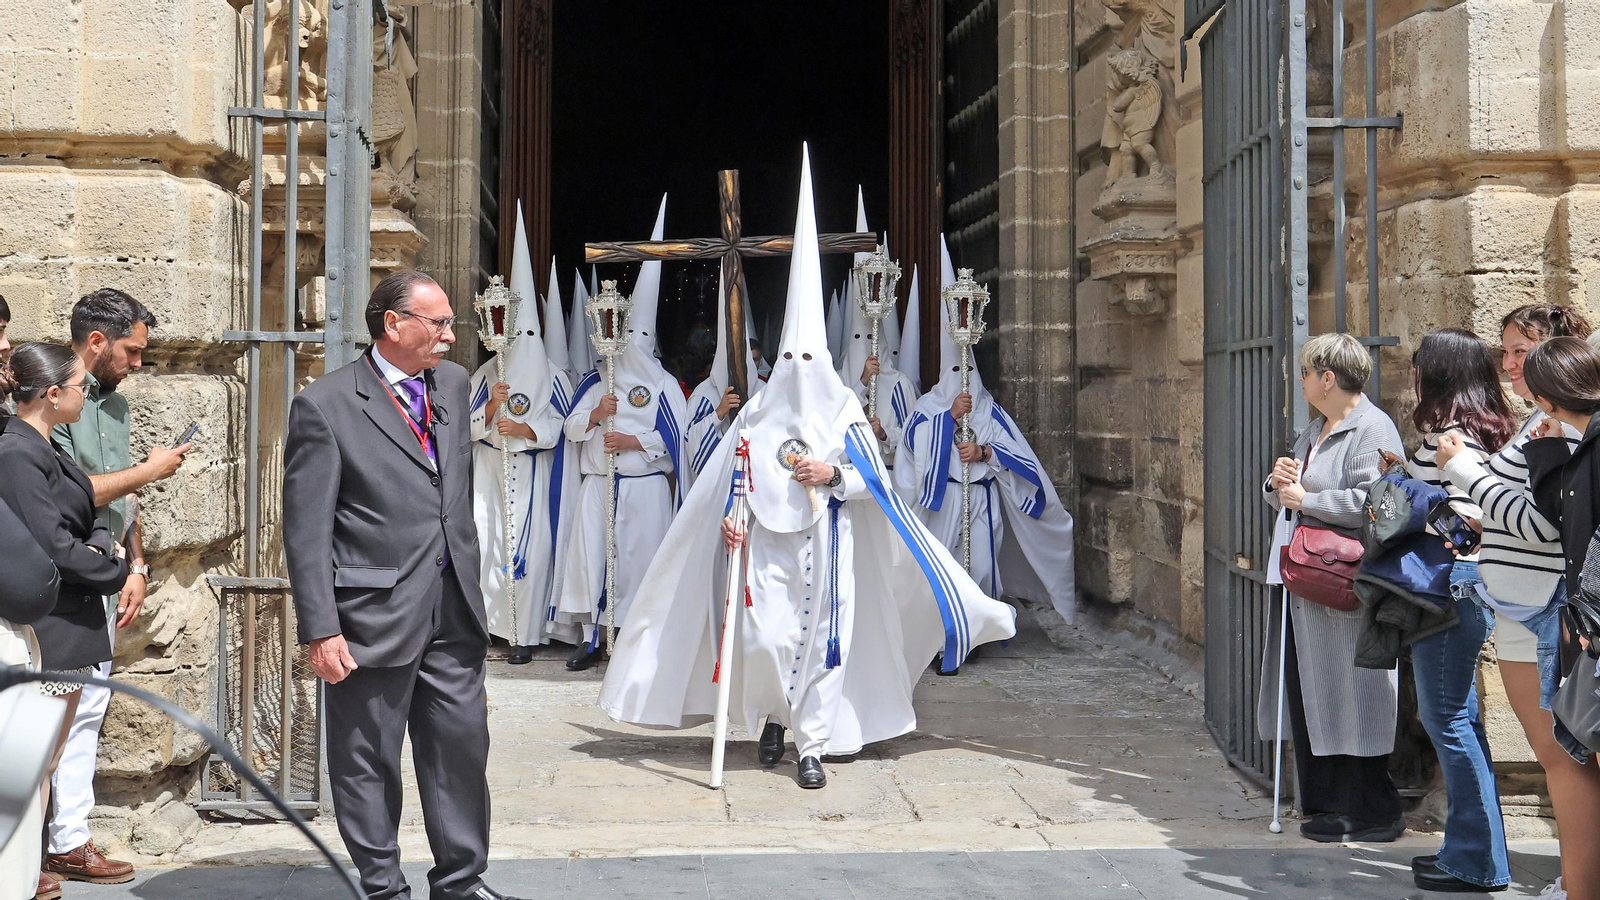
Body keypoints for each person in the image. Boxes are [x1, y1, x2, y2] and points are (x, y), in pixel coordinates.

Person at [598, 147, 1017, 789]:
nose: (796, 365)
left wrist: (834, 479)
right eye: (787, 354)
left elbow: (875, 477)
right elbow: (732, 472)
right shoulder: (760, 409)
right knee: (765, 638)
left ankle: (812, 743)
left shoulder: (846, 406)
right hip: (766, 543)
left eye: (805, 354)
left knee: (826, 642)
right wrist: (734, 518)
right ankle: (772, 717)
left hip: (830, 544)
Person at [282, 270, 522, 900]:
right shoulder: (326, 405)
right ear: (393, 324)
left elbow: (450, 495)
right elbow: (306, 530)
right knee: (368, 758)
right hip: (370, 612)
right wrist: (321, 626)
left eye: (448, 322)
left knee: (461, 751)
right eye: (437, 322)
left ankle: (460, 882)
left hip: (452, 606)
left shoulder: (449, 384)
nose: (450, 334)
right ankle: (384, 886)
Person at [1435, 305, 1599, 900]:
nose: (1509, 365)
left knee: (1564, 761)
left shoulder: (1562, 422)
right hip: (1528, 607)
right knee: (1568, 761)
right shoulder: (1540, 419)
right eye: (1504, 352)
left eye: (1521, 352)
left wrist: (1464, 470)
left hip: (1543, 611)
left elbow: (1542, 522)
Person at [44, 289, 189, 888]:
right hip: (60, 582)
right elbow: (77, 492)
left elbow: (124, 498)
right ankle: (32, 847)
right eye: (130, 351)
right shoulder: (51, 403)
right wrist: (151, 471)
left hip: (106, 578)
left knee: (90, 709)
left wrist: (138, 564)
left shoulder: (119, 410)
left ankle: (68, 840)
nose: (136, 363)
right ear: (96, 341)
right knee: (49, 716)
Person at [1260, 332, 1407, 843]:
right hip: (1309, 584)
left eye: (1304, 372)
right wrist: (1277, 484)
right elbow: (1294, 492)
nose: (1299, 381)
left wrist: (1305, 499)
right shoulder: (1315, 428)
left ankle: (1374, 810)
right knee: (1316, 693)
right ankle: (1327, 804)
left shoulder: (1374, 429)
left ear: (1328, 378)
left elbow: (1379, 504)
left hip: (1351, 584)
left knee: (1360, 695)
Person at [0, 342, 130, 900]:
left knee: (48, 757)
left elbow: (89, 522)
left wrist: (104, 545)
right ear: (53, 394)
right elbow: (51, 543)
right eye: (79, 386)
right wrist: (111, 569)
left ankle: (25, 870)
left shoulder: (49, 446)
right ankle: (17, 875)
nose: (86, 393)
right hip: (51, 623)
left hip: (74, 623)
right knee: (29, 759)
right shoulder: (17, 453)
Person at [895, 238, 1077, 632]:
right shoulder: (929, 407)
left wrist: (983, 451)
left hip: (978, 499)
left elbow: (1017, 454)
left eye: (970, 376)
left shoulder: (989, 409)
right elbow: (913, 442)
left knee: (978, 565)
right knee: (941, 567)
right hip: (941, 503)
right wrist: (947, 419)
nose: (966, 383)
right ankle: (943, 635)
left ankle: (974, 632)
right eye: (957, 375)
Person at [1401, 328, 1517, 892]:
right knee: (1459, 716)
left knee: (1446, 718)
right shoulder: (1468, 431)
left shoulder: (1455, 439)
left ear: (1439, 373)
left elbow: (1470, 524)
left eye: (1418, 365)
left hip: (1451, 585)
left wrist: (1411, 500)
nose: (1412, 374)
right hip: (1457, 588)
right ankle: (1469, 849)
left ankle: (1476, 861)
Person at [551, 196, 688, 671]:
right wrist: (594, 416)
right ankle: (590, 636)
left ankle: (634, 637)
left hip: (644, 489)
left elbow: (678, 439)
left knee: (639, 566)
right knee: (591, 563)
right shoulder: (596, 381)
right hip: (599, 489)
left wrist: (634, 442)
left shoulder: (665, 385)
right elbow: (568, 428)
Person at [468, 216, 574, 664]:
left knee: (535, 550)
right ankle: (492, 628)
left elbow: (565, 428)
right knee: (488, 544)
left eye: (532, 333)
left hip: (534, 473)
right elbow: (465, 423)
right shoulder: (489, 372)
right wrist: (492, 408)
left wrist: (527, 431)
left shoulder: (554, 376)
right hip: (491, 471)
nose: (526, 341)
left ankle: (525, 636)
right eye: (521, 333)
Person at [836, 197, 919, 473]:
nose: (865, 348)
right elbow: (831, 421)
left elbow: (912, 436)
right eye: (859, 341)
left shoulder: (900, 386)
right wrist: (862, 381)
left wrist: (884, 434)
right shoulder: (837, 383)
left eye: (872, 341)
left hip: (886, 474)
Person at [685, 277, 758, 484]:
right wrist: (719, 413)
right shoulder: (703, 394)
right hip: (716, 482)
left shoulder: (764, 391)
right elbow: (691, 444)